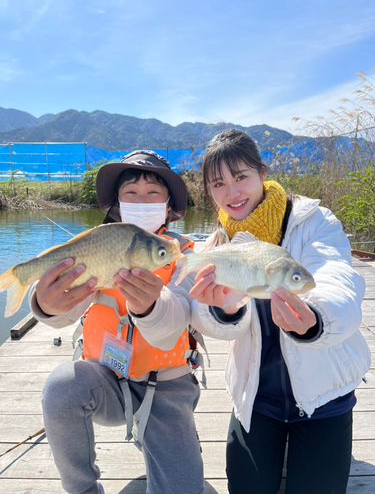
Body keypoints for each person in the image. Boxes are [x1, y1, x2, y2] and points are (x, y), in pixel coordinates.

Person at [189, 129, 371, 494]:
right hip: (256, 396)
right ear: (209, 191)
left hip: (325, 396)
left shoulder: (315, 221)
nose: (232, 193)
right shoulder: (216, 246)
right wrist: (222, 310)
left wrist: (316, 319)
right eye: (218, 184)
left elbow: (337, 276)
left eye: (241, 177)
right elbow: (208, 320)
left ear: (262, 172)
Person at [29, 151, 204, 494]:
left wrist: (151, 305)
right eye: (130, 194)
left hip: (168, 386)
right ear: (118, 205)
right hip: (106, 378)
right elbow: (64, 303)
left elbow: (176, 325)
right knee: (62, 386)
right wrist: (43, 303)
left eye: (153, 193)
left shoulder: (186, 256)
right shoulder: (100, 242)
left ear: (169, 205)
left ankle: (178, 438)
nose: (142, 200)